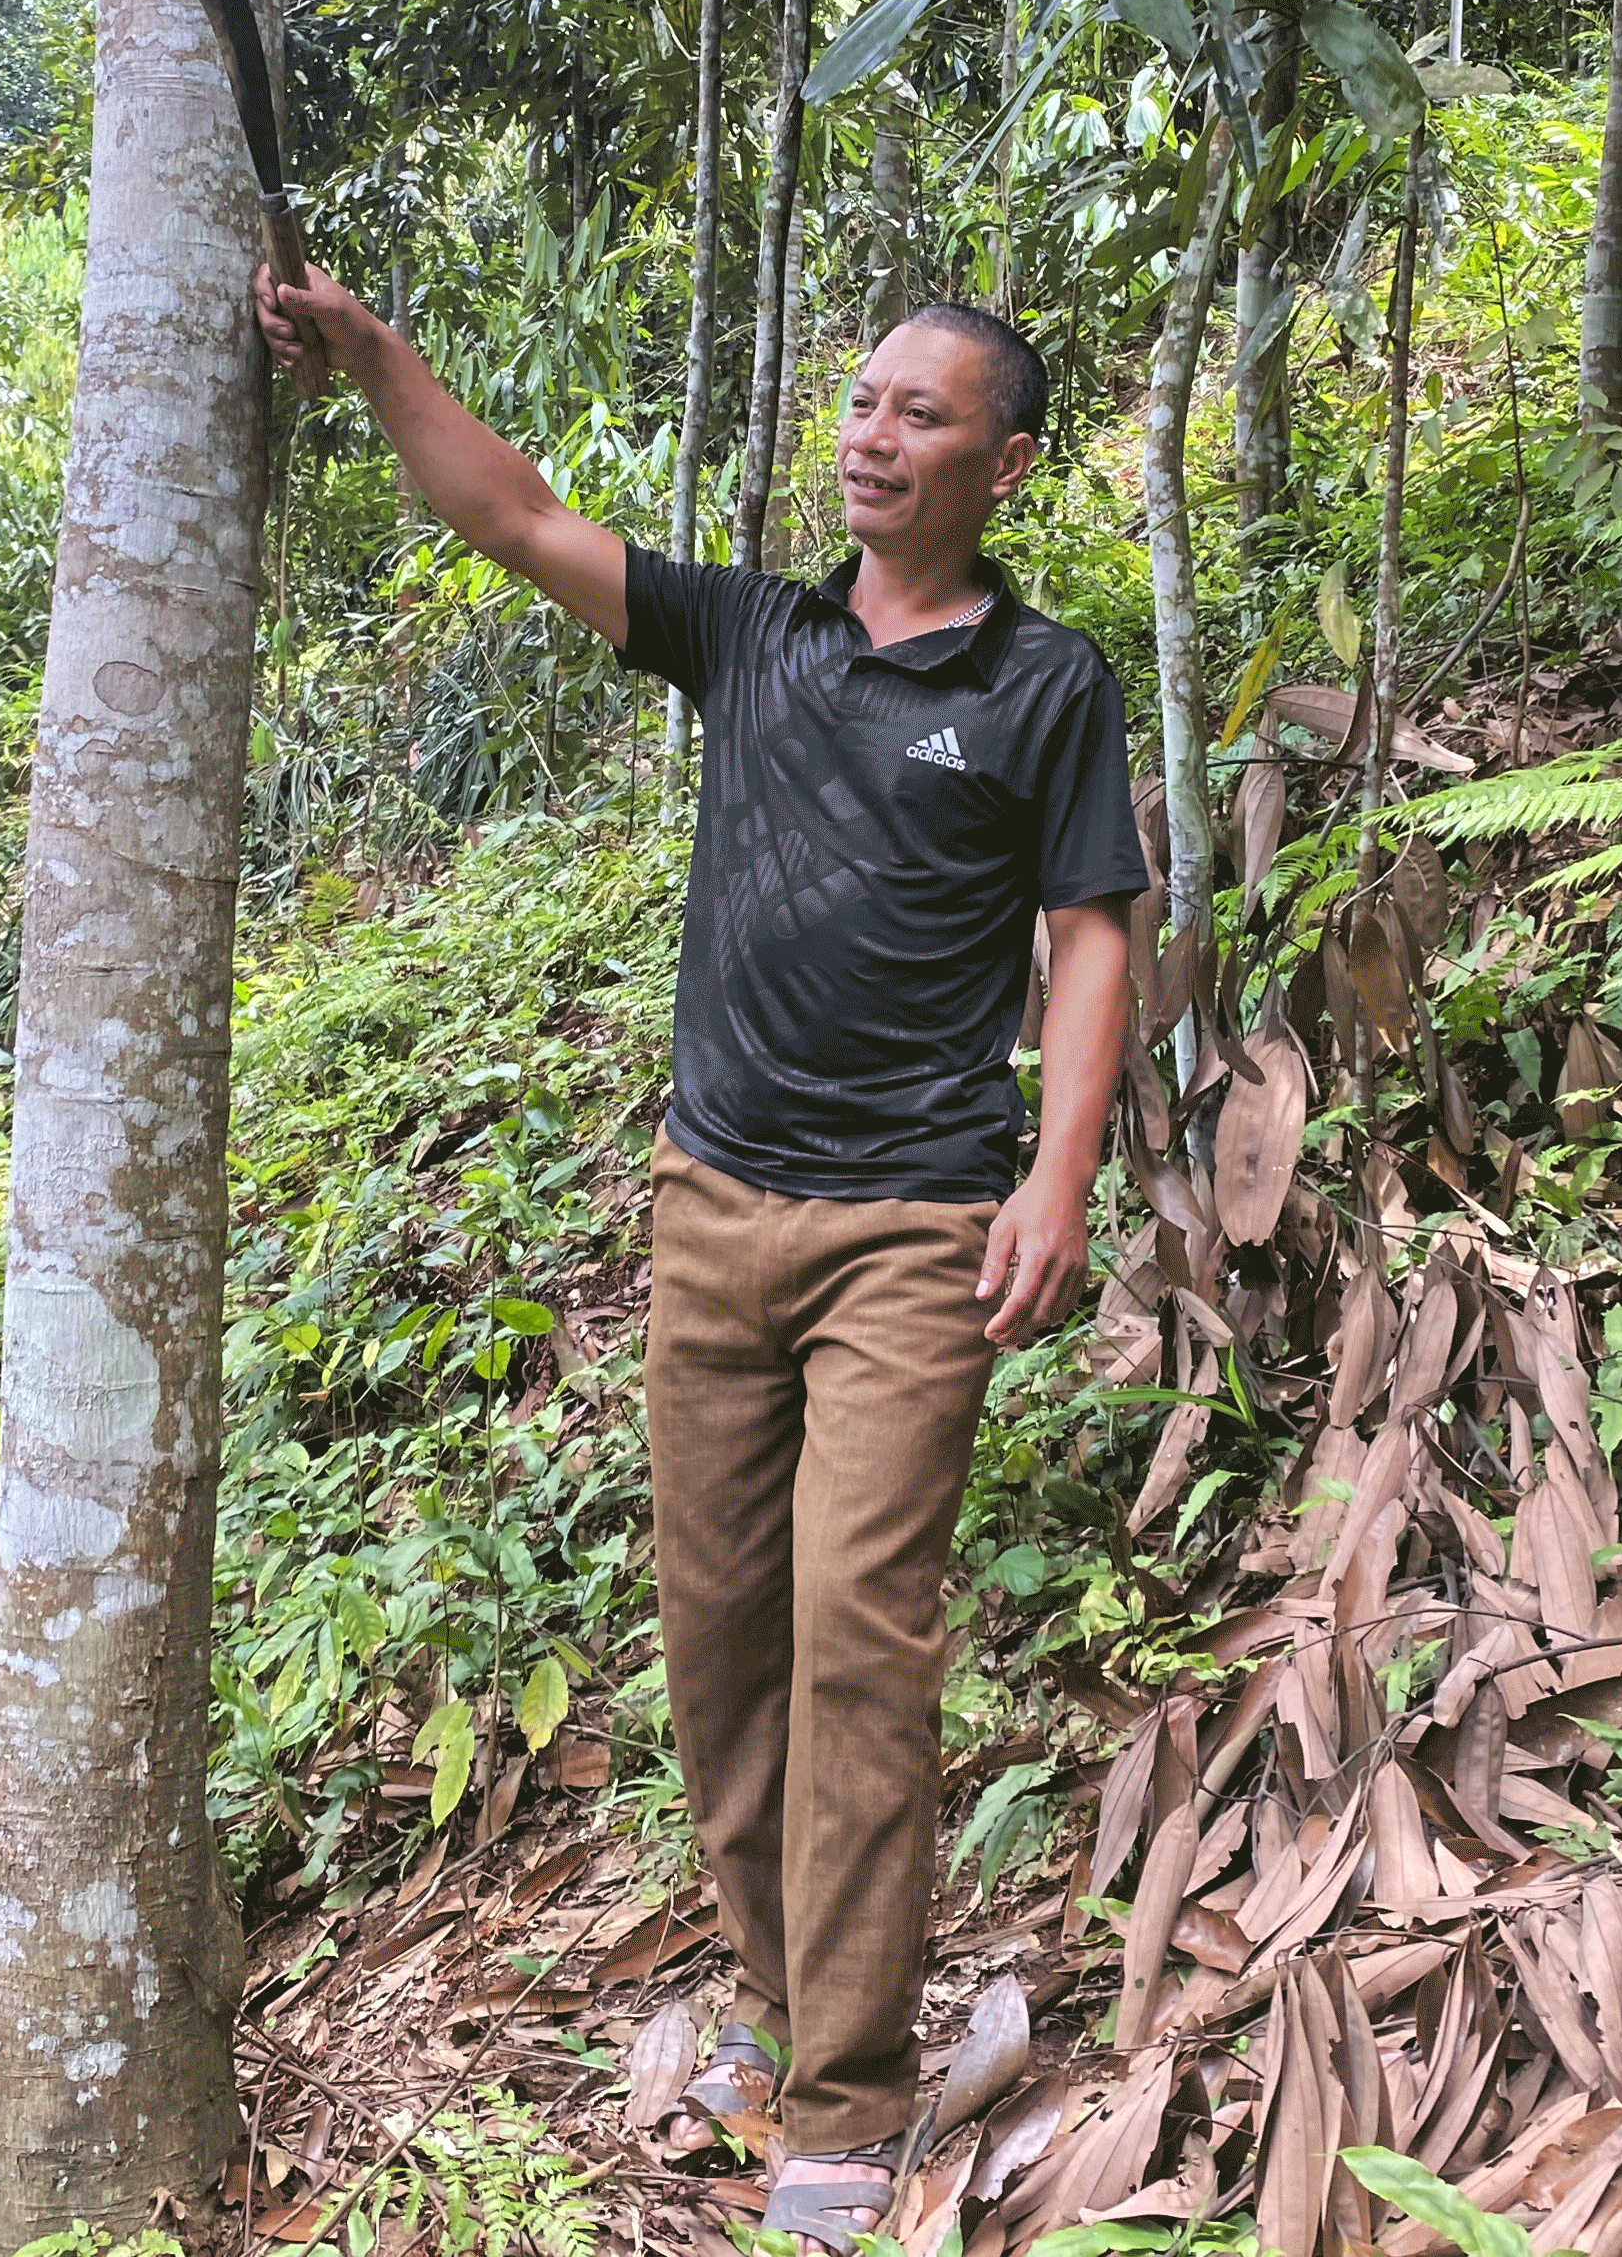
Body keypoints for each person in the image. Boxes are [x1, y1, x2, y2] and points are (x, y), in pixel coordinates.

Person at [256, 261, 1145, 2250]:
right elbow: (515, 516)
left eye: (920, 414)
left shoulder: (1042, 683)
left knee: (859, 1634)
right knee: (720, 1636)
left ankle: (849, 2096)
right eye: (861, 400)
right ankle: (779, 1999)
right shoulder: (753, 630)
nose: (872, 435)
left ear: (1003, 463)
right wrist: (377, 353)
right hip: (713, 1202)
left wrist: (1057, 1175)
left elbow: (1091, 929)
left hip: (914, 1219)